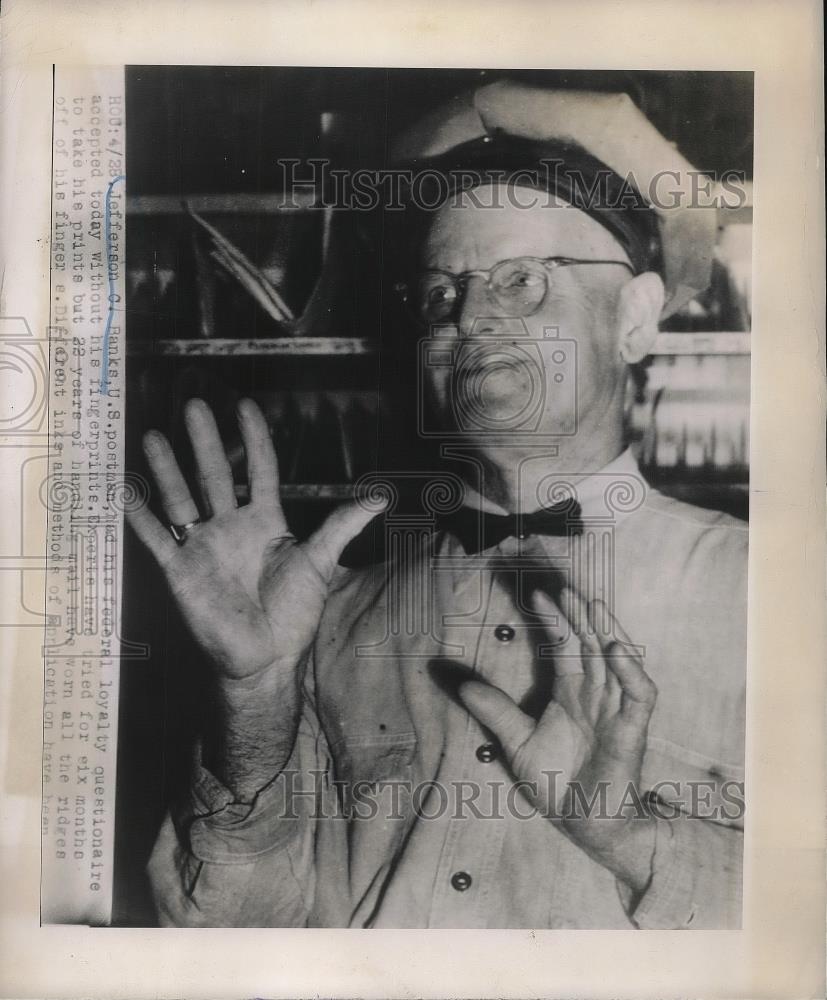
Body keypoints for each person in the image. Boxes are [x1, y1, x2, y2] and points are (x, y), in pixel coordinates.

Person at [126, 82, 746, 928]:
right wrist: (258, 698)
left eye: (523, 279)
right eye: (440, 293)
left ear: (633, 320)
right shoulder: (328, 613)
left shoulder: (774, 597)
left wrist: (634, 839)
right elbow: (223, 928)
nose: (470, 318)